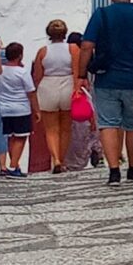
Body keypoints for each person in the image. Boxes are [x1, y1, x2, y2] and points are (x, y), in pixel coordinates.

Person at [81, 0, 133, 185]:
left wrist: (81, 75)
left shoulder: (101, 15)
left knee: (108, 124)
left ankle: (114, 170)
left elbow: (87, 46)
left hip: (106, 78)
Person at [30, 20, 78, 174]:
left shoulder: (43, 51)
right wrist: (78, 89)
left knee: (51, 129)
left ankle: (55, 159)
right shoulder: (72, 49)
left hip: (48, 86)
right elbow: (77, 72)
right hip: (67, 84)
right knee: (65, 128)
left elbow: (37, 76)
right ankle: (62, 160)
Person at [0, 43, 34, 177]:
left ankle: (14, 164)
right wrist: (37, 109)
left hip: (5, 109)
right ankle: (13, 165)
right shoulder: (22, 72)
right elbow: (30, 91)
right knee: (21, 138)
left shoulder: (0, 72)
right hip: (21, 108)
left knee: (10, 138)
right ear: (20, 55)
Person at [64, 33, 102, 170]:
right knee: (94, 126)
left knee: (77, 132)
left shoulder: (70, 60)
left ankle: (76, 161)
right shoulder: (90, 61)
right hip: (92, 98)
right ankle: (97, 150)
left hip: (75, 98)